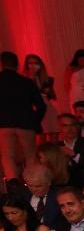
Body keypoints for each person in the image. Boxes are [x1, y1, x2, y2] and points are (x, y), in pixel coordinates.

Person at [0, 50, 46, 181]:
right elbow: (41, 106)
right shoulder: (26, 82)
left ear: (2, 64)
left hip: (3, 125)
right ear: (17, 64)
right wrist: (34, 122)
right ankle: (33, 183)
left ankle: (13, 184)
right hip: (26, 124)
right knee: (30, 155)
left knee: (7, 157)